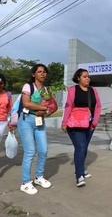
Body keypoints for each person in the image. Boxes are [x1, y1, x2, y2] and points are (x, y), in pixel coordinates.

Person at [18, 64, 58, 195]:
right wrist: (43, 109)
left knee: (43, 150)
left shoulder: (46, 90)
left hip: (40, 122)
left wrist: (47, 113)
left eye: (44, 72)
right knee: (30, 151)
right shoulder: (28, 86)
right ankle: (25, 182)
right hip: (26, 120)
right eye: (39, 72)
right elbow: (26, 103)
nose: (42, 74)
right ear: (33, 74)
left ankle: (39, 177)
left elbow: (54, 106)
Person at [61, 68, 101, 187]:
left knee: (84, 148)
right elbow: (68, 107)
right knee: (81, 147)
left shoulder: (93, 90)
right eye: (84, 76)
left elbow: (98, 106)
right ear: (78, 78)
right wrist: (64, 122)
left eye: (88, 76)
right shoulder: (72, 90)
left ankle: (81, 169)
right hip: (74, 124)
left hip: (89, 124)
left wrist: (95, 122)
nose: (87, 78)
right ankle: (79, 176)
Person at [0, 74, 13, 140]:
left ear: (4, 83)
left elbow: (10, 109)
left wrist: (10, 122)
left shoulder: (8, 94)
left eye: (1, 83)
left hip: (3, 122)